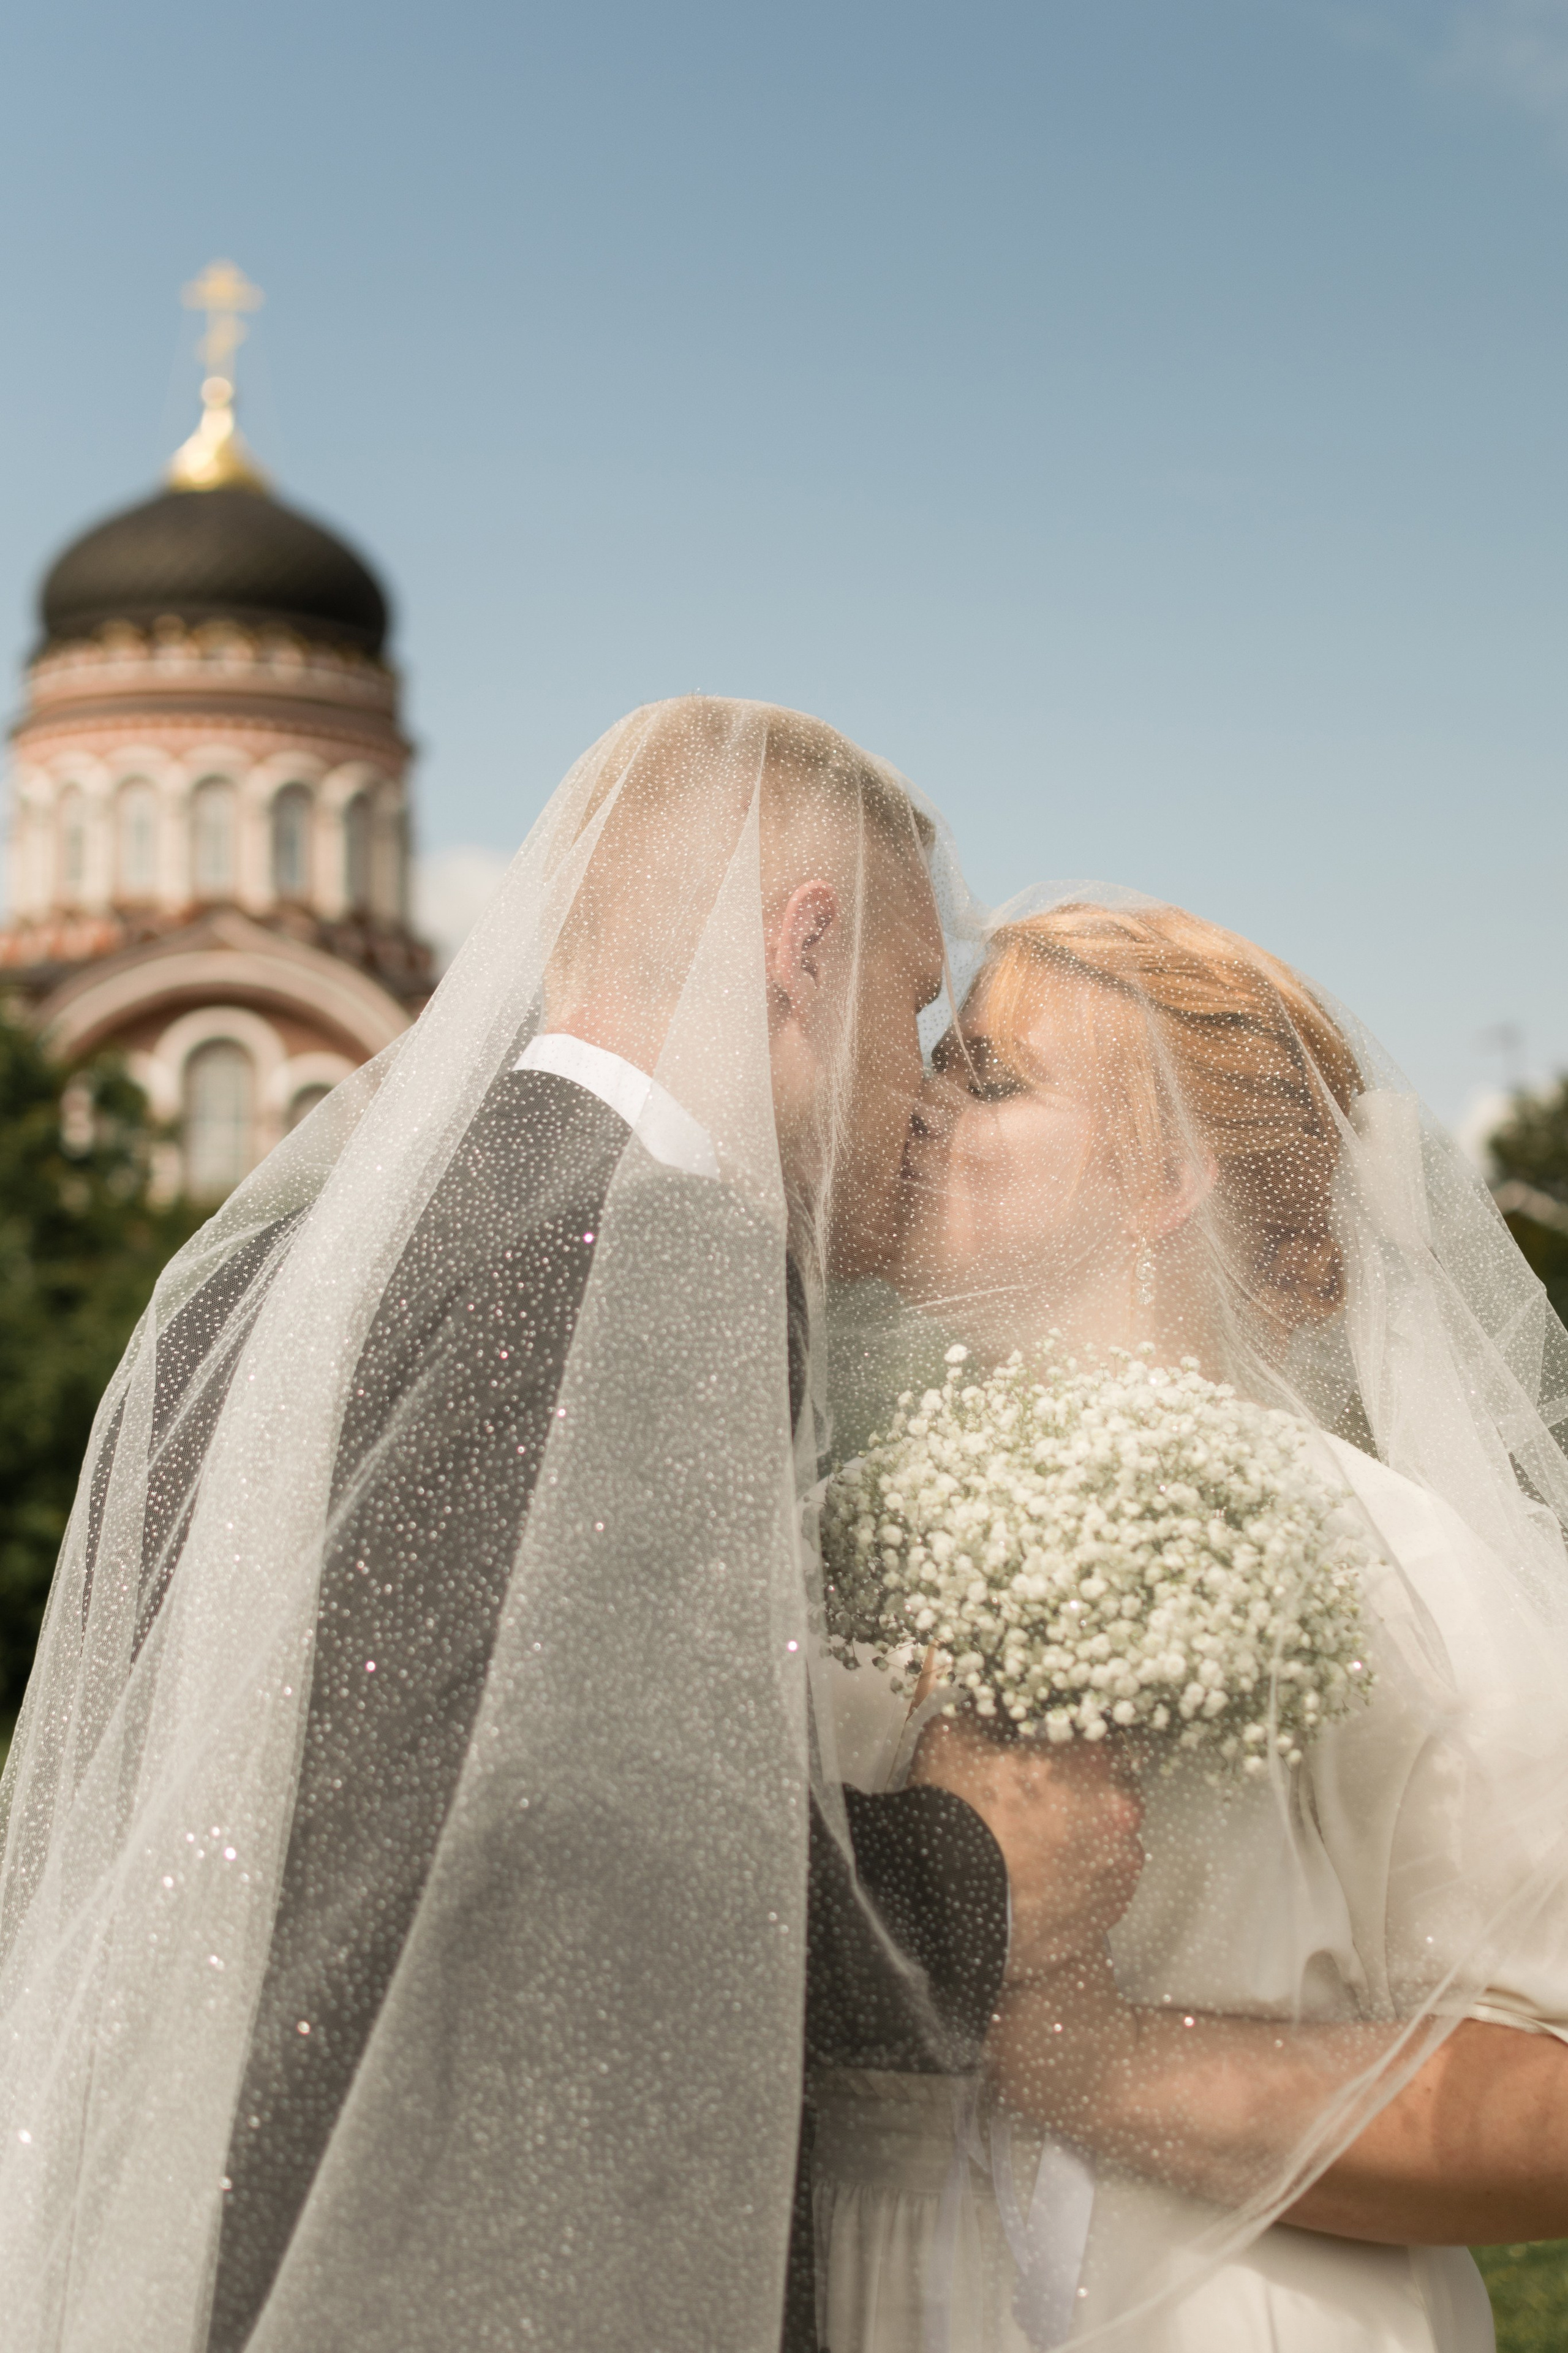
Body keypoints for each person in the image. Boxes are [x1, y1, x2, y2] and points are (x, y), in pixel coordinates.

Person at [0, 700, 1136, 2353]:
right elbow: (578, 1832)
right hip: (492, 2260)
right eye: (909, 1012)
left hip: (220, 2228)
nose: (915, 1089)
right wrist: (973, 1871)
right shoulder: (655, 1260)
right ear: (799, 951)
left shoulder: (266, 1277)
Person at [812, 895, 1568, 2351]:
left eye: (991, 1076)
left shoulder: (1383, 1560)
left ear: (1168, 1185)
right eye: (936, 1060)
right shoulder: (840, 1527)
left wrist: (1096, 2065)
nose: (916, 1106)